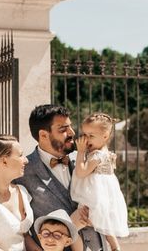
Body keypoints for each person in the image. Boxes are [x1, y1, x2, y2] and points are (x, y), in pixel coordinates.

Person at [16, 105, 105, 251]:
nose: (72, 133)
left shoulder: (86, 160)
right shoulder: (23, 172)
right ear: (43, 135)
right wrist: (71, 224)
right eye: (63, 129)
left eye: (70, 127)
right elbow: (17, 228)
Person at [71, 113, 129, 251]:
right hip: (101, 195)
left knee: (72, 228)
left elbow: (81, 172)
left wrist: (80, 152)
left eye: (91, 136)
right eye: (84, 134)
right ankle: (115, 247)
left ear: (105, 136)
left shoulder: (97, 155)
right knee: (104, 221)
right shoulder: (104, 151)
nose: (86, 139)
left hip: (93, 196)